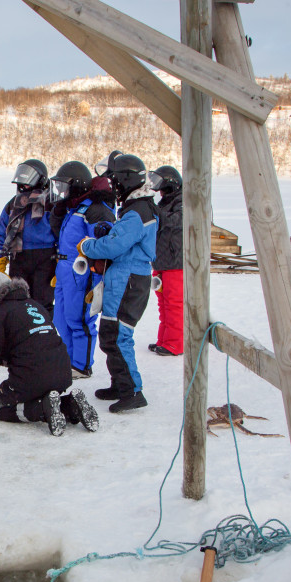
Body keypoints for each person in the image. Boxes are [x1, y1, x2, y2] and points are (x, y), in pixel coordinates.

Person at [0, 272, 98, 436]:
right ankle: (70, 405)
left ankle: (41, 410)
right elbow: (28, 342)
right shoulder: (34, 306)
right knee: (40, 392)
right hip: (62, 373)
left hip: (32, 377)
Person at [80, 153, 158, 412]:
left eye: (114, 182)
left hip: (129, 279)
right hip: (126, 277)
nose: (112, 187)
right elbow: (122, 239)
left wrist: (89, 245)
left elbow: (115, 246)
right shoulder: (139, 208)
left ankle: (132, 391)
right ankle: (120, 385)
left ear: (125, 180)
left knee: (118, 335)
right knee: (110, 334)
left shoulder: (137, 212)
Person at [48, 160, 115, 379]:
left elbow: (104, 242)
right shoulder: (74, 207)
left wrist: (95, 273)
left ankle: (82, 365)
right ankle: (68, 359)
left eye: (65, 187)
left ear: (77, 185)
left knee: (79, 319)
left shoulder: (95, 209)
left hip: (82, 270)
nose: (61, 192)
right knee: (61, 319)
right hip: (64, 268)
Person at [0, 159, 56, 314]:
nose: (23, 185)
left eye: (27, 179)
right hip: (18, 256)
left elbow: (61, 231)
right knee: (17, 300)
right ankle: (20, 328)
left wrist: (62, 258)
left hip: (45, 257)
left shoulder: (51, 203)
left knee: (42, 302)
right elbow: (2, 232)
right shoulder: (13, 205)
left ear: (39, 179)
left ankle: (44, 328)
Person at [148, 165, 184, 357]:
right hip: (162, 261)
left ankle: (175, 344)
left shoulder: (183, 201)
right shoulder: (165, 202)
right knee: (164, 305)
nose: (160, 192)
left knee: (174, 305)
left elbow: (177, 220)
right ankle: (164, 340)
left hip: (175, 263)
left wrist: (154, 211)